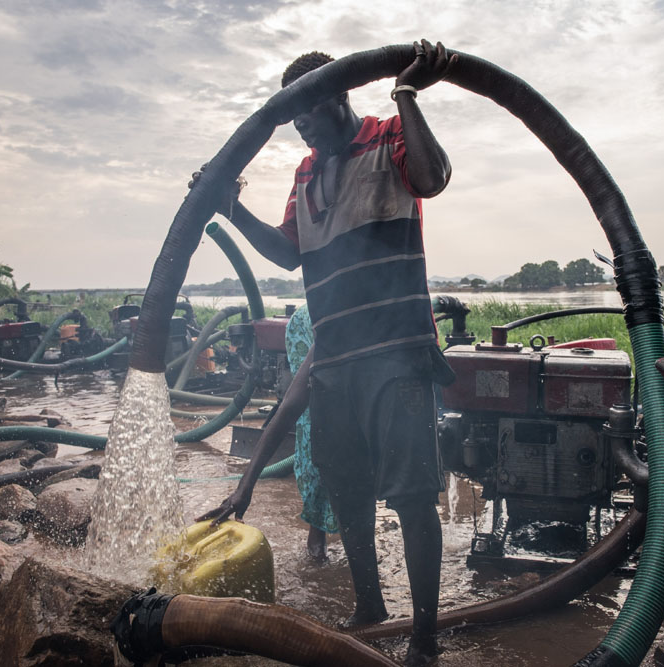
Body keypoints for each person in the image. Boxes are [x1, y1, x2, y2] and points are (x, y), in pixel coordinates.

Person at [192, 40, 457, 666]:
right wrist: (230, 206)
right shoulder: (305, 174)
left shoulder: (388, 136)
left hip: (397, 351)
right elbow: (288, 251)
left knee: (412, 496)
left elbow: (432, 178)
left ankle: (424, 639)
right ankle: (370, 607)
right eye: (292, 117)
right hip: (335, 358)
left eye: (307, 110)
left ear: (339, 94)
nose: (301, 125)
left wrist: (406, 93)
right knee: (347, 491)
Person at [199, 305, 338, 561]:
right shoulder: (326, 326)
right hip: (312, 325)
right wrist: (244, 487)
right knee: (315, 422)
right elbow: (291, 408)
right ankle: (317, 545)